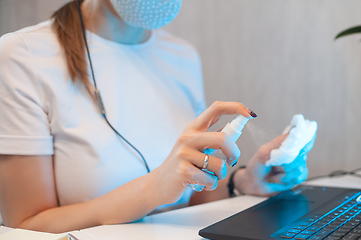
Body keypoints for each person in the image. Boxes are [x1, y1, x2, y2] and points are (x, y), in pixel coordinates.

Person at [0, 0, 315, 233]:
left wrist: (241, 181)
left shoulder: (181, 57)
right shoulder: (23, 56)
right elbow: (25, 224)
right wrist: (154, 188)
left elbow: (189, 199)